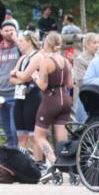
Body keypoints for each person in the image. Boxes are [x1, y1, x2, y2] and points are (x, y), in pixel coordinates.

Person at [32, 32, 73, 168]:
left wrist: (36, 77)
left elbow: (43, 86)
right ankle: (65, 163)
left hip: (51, 100)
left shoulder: (46, 62)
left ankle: (53, 160)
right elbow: (70, 84)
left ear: (47, 44)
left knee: (39, 135)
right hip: (65, 99)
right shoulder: (66, 61)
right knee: (61, 133)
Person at [9, 31, 43, 160]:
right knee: (21, 135)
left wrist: (18, 74)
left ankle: (38, 162)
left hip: (33, 97)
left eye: (21, 41)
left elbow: (23, 75)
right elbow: (11, 79)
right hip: (20, 96)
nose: (19, 44)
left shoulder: (37, 56)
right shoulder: (23, 58)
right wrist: (21, 76)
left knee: (33, 134)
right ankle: (21, 161)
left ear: (29, 42)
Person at [0, 21, 21, 149]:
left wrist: (16, 39)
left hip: (16, 93)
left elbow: (27, 54)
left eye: (12, 30)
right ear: (1, 32)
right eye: (6, 30)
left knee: (15, 129)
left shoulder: (18, 47)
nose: (9, 32)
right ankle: (10, 157)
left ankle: (17, 154)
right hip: (1, 94)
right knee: (7, 130)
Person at [71, 33, 99, 123]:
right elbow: (81, 81)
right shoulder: (79, 60)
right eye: (94, 42)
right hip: (86, 97)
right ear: (86, 44)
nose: (97, 45)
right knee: (84, 127)